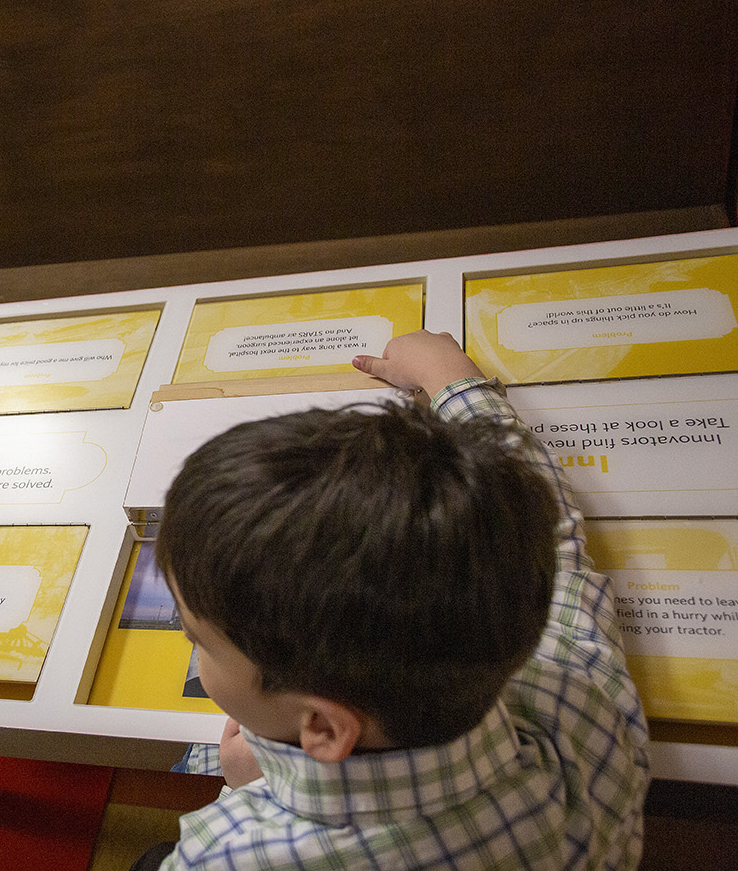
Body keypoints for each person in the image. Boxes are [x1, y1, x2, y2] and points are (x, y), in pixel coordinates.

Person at [138, 330, 649, 871]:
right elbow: (560, 551)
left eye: (198, 638)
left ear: (326, 728)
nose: (192, 644)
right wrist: (454, 380)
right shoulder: (578, 708)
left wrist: (243, 791)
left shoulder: (223, 857)